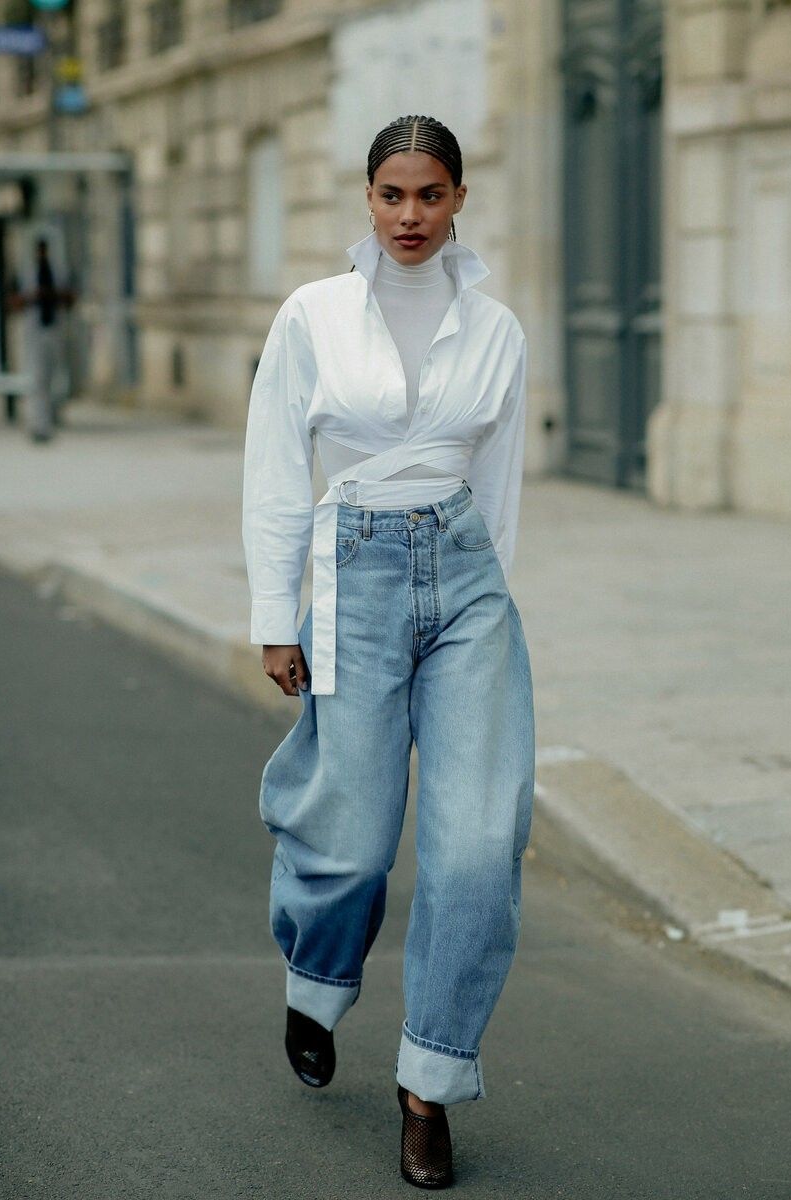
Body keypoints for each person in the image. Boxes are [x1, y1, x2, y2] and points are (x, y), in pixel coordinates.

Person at [242, 114, 535, 1190]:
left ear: (460, 198)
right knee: (352, 842)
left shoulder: (495, 327)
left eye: (430, 194)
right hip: (351, 574)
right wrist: (279, 617)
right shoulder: (312, 315)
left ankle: (429, 1086)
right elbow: (276, 468)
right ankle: (317, 979)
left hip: (466, 586)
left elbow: (496, 488)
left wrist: (493, 601)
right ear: (365, 199)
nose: (409, 215)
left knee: (473, 848)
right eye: (390, 195)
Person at [6, 236, 75, 443]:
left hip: (54, 328)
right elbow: (13, 301)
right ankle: (38, 424)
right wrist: (32, 297)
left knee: (53, 376)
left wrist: (53, 295)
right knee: (37, 379)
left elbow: (70, 298)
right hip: (34, 330)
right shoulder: (26, 273)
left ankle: (51, 417)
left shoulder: (58, 272)